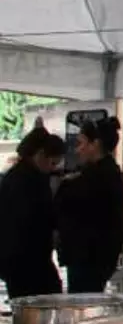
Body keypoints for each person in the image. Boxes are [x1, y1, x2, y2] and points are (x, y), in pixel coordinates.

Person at [56, 116, 123, 293]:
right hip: (93, 255)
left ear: (95, 144)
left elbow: (66, 205)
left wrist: (64, 185)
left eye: (81, 143)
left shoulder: (98, 178)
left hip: (89, 256)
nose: (77, 149)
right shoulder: (103, 173)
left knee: (83, 303)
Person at [0, 127, 66, 299]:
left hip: (23, 260)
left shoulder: (22, 176)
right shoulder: (25, 182)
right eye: (52, 163)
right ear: (40, 155)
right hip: (25, 261)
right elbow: (30, 220)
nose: (52, 169)